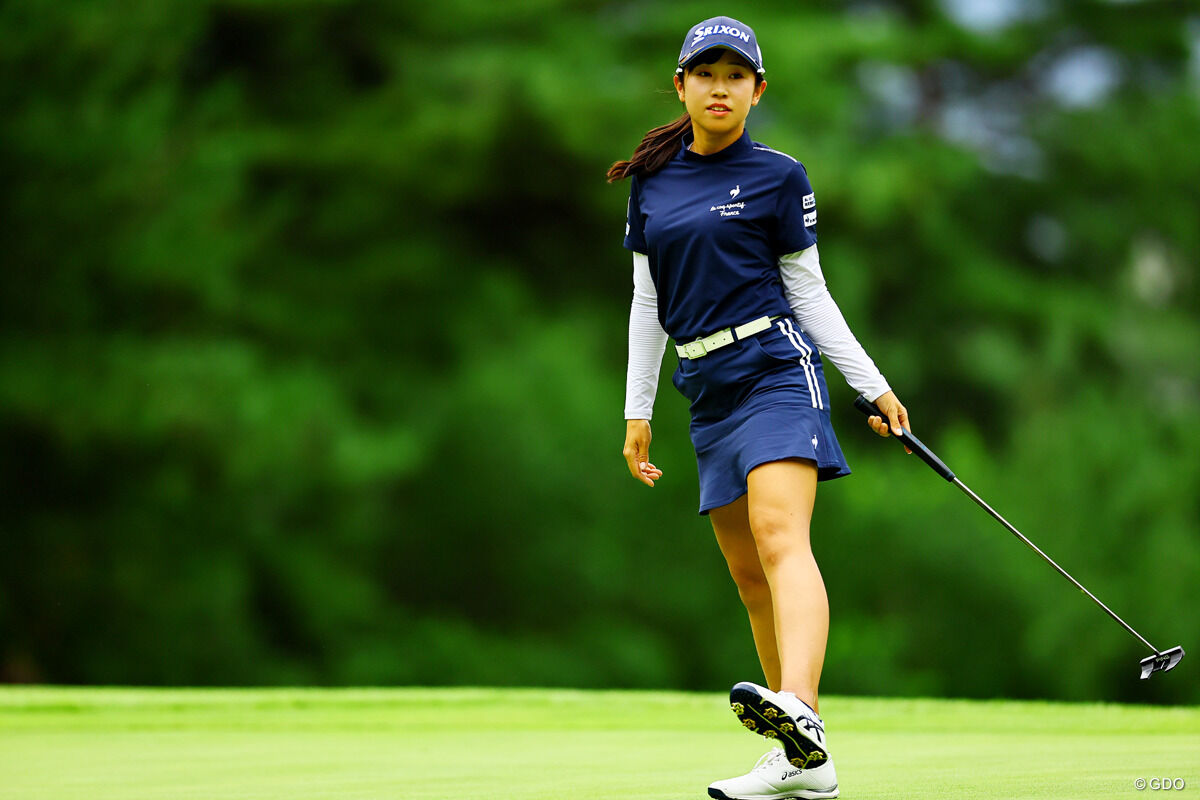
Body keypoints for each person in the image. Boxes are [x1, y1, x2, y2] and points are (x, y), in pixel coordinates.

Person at [608, 16, 911, 800]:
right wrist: (639, 409)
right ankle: (804, 761)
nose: (720, 88)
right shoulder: (653, 180)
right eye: (706, 75)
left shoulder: (780, 177)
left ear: (757, 90)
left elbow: (810, 293)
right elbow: (648, 303)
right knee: (749, 577)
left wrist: (871, 384)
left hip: (776, 371)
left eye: (735, 76)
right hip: (704, 390)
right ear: (681, 85)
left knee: (780, 538)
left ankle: (799, 707)